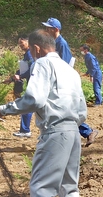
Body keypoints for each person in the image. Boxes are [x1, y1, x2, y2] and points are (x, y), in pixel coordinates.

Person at [0, 30, 89, 197]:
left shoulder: (42, 64)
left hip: (55, 131)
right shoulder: (70, 70)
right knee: (68, 184)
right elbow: (82, 108)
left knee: (41, 187)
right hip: (73, 130)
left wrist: (4, 110)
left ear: (36, 48)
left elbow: (34, 99)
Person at [42, 17, 99, 146]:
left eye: (48, 28)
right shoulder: (53, 43)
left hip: (62, 83)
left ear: (55, 30)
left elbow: (65, 64)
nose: (46, 30)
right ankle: (86, 132)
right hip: (56, 81)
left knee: (64, 112)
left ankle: (87, 131)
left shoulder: (61, 44)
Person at [3, 35, 34, 138]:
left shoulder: (30, 55)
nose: (20, 45)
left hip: (35, 84)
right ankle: (25, 130)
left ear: (28, 42)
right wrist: (12, 79)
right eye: (19, 43)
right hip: (32, 84)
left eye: (22, 43)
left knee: (27, 106)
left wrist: (20, 76)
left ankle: (25, 130)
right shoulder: (27, 54)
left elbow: (31, 70)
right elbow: (22, 69)